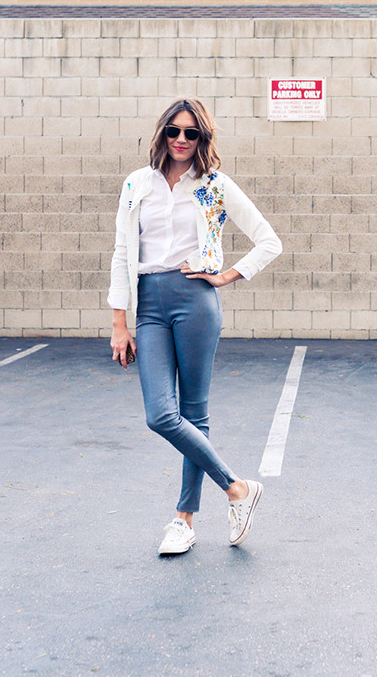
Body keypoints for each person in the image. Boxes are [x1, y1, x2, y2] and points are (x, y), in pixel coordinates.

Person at [108, 97, 283, 556]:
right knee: (160, 415)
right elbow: (122, 251)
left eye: (192, 133)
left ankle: (183, 520)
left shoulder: (214, 185)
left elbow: (269, 241)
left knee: (194, 412)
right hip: (148, 303)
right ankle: (237, 488)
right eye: (174, 131)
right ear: (162, 133)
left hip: (195, 301)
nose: (181, 140)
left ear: (202, 138)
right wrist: (119, 322)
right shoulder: (137, 184)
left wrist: (225, 276)